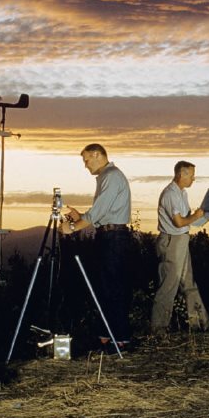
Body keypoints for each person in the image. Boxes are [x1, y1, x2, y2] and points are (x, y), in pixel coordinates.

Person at [60, 143, 132, 350]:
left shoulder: (112, 176)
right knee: (104, 287)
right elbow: (100, 214)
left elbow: (98, 212)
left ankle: (120, 340)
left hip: (114, 237)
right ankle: (106, 337)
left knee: (113, 287)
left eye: (86, 160)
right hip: (107, 235)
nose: (85, 165)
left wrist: (72, 227)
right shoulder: (106, 177)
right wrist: (80, 217)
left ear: (97, 154)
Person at [150, 160, 209, 334]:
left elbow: (188, 221)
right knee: (169, 285)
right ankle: (158, 328)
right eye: (192, 175)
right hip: (172, 240)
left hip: (181, 240)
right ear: (182, 174)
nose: (194, 179)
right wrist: (196, 215)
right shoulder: (170, 194)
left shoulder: (182, 193)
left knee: (189, 283)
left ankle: (200, 323)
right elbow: (179, 222)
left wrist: (207, 216)